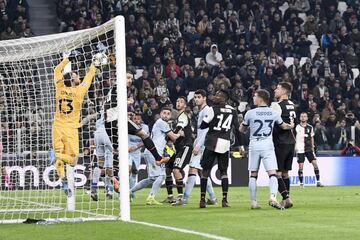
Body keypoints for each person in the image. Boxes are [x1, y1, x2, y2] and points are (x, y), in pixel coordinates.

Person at [49, 54, 97, 197]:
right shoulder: (79, 91)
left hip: (57, 126)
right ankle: (55, 156)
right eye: (76, 76)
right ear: (74, 81)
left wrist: (67, 59)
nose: (78, 77)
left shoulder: (59, 87)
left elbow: (56, 71)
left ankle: (63, 180)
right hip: (70, 129)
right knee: (73, 160)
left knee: (60, 158)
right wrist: (94, 66)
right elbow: (88, 78)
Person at [240, 89, 294, 210]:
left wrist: (244, 125)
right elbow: (283, 126)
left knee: (253, 174)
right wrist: (291, 125)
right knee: (272, 173)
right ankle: (273, 197)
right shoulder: (273, 113)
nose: (253, 98)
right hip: (268, 144)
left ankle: (254, 202)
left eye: (255, 96)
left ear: (260, 98)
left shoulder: (250, 113)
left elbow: (241, 130)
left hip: (254, 144)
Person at [104, 71, 169, 165]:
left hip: (108, 121)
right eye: (128, 78)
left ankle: (114, 176)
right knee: (144, 135)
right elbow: (114, 104)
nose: (130, 80)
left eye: (131, 78)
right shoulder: (119, 87)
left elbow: (109, 106)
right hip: (116, 119)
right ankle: (158, 158)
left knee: (117, 150)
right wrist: (127, 102)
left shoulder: (114, 89)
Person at [130, 107, 183, 205]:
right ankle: (151, 197)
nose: (166, 115)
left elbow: (151, 138)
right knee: (162, 175)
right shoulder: (162, 123)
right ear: (160, 114)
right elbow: (173, 137)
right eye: (164, 113)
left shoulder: (159, 124)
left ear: (170, 116)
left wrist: (136, 147)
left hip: (151, 151)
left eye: (168, 114)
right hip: (154, 153)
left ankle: (129, 192)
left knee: (152, 178)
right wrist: (179, 134)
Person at [199, 90, 240, 208]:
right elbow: (237, 129)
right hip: (225, 143)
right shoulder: (233, 111)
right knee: (223, 172)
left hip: (212, 142)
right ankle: (225, 200)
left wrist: (211, 123)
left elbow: (203, 125)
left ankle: (202, 199)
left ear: (223, 98)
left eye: (217, 95)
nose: (215, 97)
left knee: (205, 170)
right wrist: (240, 145)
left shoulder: (213, 109)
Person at [177, 90, 217, 205]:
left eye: (199, 97)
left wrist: (198, 145)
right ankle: (213, 198)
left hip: (204, 144)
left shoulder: (207, 111)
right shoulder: (201, 111)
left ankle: (184, 199)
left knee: (193, 169)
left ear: (204, 98)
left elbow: (206, 131)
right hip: (203, 143)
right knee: (201, 171)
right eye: (195, 97)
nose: (196, 99)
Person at [164, 97, 193, 205]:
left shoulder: (183, 116)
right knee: (168, 169)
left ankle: (181, 198)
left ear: (185, 105)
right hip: (178, 147)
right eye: (177, 101)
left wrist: (169, 137)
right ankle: (170, 196)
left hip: (186, 146)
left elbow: (177, 130)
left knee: (176, 170)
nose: (178, 103)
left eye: (181, 102)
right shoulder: (178, 118)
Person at [271, 82, 296, 208]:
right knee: (286, 173)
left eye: (278, 88)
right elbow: (293, 123)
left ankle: (286, 198)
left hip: (280, 141)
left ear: (284, 92)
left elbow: (275, 124)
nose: (275, 90)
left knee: (277, 172)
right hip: (291, 141)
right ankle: (286, 198)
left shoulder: (277, 106)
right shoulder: (292, 105)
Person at [90, 105, 117, 201]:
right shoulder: (113, 111)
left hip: (97, 135)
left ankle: (93, 187)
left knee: (100, 163)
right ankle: (110, 190)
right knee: (109, 166)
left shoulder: (100, 115)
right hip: (107, 134)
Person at [295, 112, 324, 188]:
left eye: (305, 116)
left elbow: (311, 138)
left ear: (307, 118)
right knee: (301, 166)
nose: (303, 118)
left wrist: (313, 147)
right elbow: (294, 137)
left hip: (309, 149)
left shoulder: (310, 127)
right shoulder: (297, 127)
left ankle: (318, 182)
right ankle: (301, 184)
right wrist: (295, 147)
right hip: (300, 149)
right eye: (302, 116)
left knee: (315, 164)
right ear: (300, 118)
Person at [128, 114, 149, 197]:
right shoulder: (128, 125)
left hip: (137, 153)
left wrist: (136, 147)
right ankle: (122, 192)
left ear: (141, 120)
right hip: (127, 152)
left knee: (134, 171)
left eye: (138, 119)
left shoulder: (145, 128)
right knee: (127, 171)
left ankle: (132, 191)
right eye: (135, 119)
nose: (136, 120)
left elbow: (146, 140)